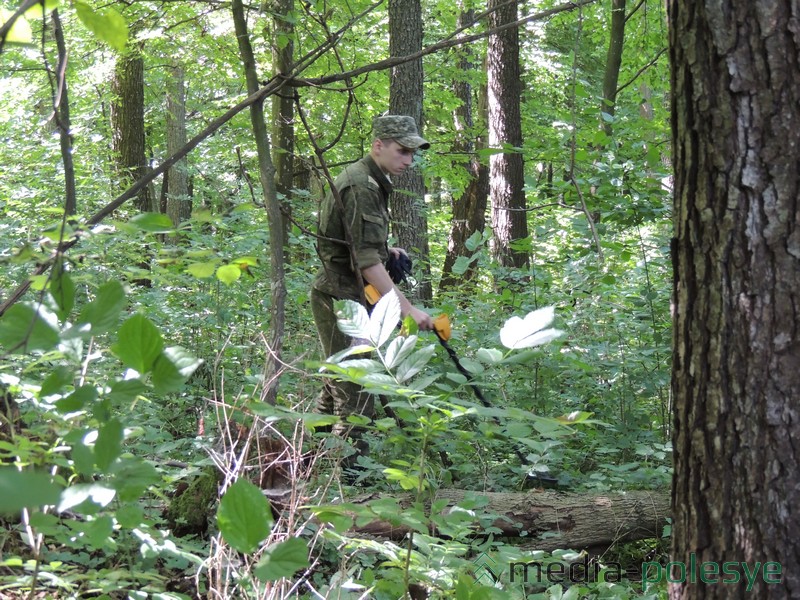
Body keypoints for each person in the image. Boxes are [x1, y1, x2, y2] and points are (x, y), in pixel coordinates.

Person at [311, 115, 434, 471]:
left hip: (351, 295)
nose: (409, 160)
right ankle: (352, 485)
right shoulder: (362, 186)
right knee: (356, 394)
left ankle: (306, 460)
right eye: (403, 151)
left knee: (336, 383)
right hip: (339, 297)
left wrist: (387, 252)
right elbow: (364, 262)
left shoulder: (371, 180)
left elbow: (360, 245)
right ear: (378, 145)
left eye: (412, 152)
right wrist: (407, 309)